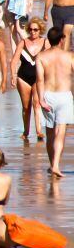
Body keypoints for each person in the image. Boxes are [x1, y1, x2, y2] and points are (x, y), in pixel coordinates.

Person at [35, 26, 73, 177]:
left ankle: (53, 165)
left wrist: (40, 99)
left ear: (49, 40)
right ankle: (56, 165)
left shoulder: (41, 56)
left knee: (50, 133)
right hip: (64, 96)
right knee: (60, 132)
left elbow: (39, 80)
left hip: (48, 95)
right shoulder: (69, 56)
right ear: (62, 40)